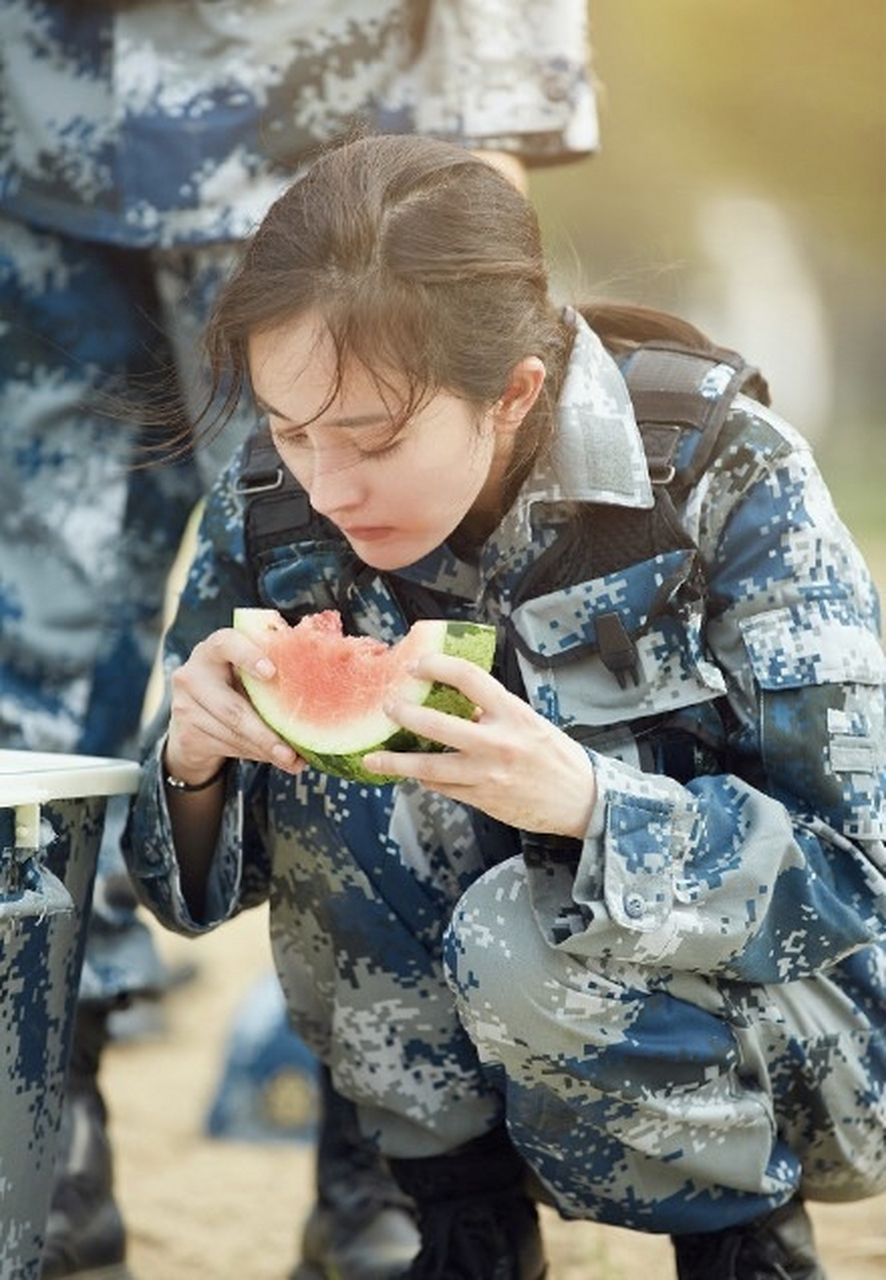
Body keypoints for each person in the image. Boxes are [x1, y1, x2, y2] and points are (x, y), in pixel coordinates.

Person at [123, 132, 886, 1280]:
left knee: (514, 934)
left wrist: (590, 807)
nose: (324, 483)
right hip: (449, 1083)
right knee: (353, 796)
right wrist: (192, 764)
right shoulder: (274, 501)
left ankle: (741, 1239)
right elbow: (178, 898)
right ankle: (464, 1225)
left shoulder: (731, 477)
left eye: (373, 437)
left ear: (514, 391)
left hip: (810, 1052)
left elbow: (857, 871)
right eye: (290, 428)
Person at [0, 7, 598, 1279]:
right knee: (20, 652)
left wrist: (497, 120)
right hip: (30, 143)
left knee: (379, 622)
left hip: (321, 145)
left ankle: (382, 1150)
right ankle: (42, 1112)